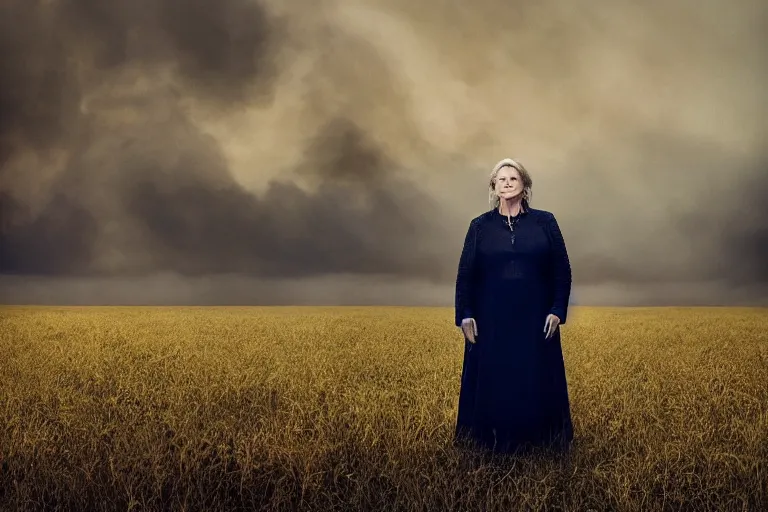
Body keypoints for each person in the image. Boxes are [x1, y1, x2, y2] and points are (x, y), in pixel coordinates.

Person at [453, 157, 574, 456]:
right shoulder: (479, 226)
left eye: (513, 179)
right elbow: (465, 273)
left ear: (525, 186)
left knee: (535, 376)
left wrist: (557, 310)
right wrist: (465, 314)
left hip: (536, 318)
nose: (506, 183)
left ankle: (541, 443)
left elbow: (562, 269)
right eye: (501, 179)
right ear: (493, 186)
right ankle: (488, 443)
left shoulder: (545, 222)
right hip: (490, 318)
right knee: (494, 378)